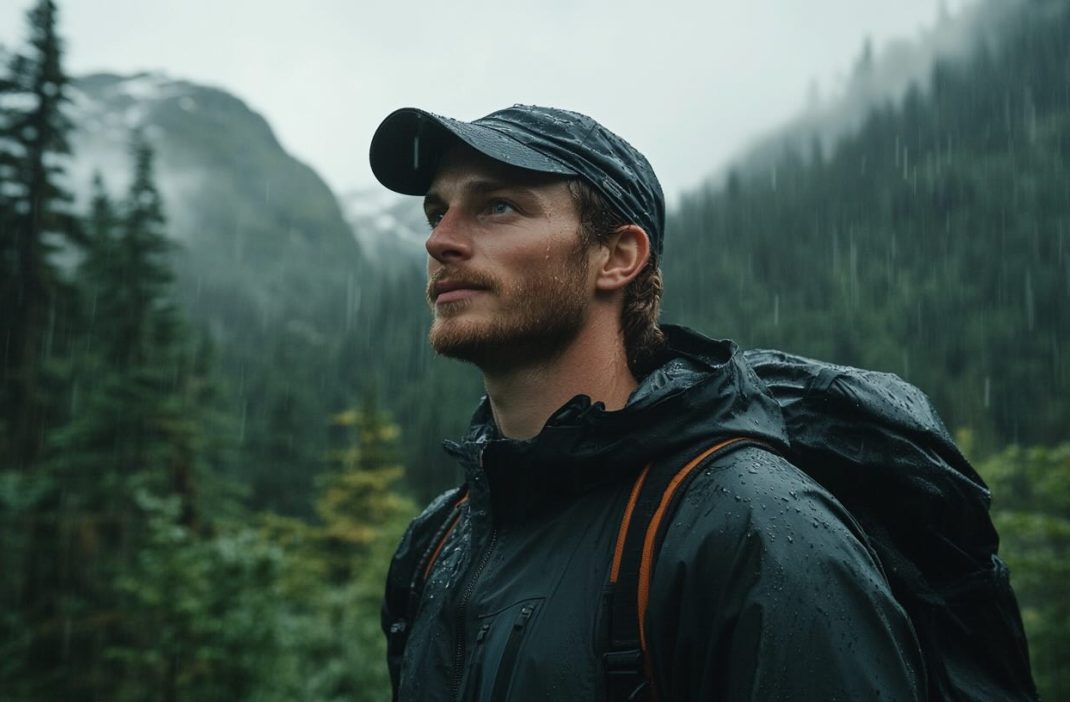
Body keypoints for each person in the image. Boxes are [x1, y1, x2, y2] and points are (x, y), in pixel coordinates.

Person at [369, 105, 926, 701]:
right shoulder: (436, 541)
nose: (440, 241)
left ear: (617, 257)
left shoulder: (753, 529)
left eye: (498, 207)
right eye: (437, 213)